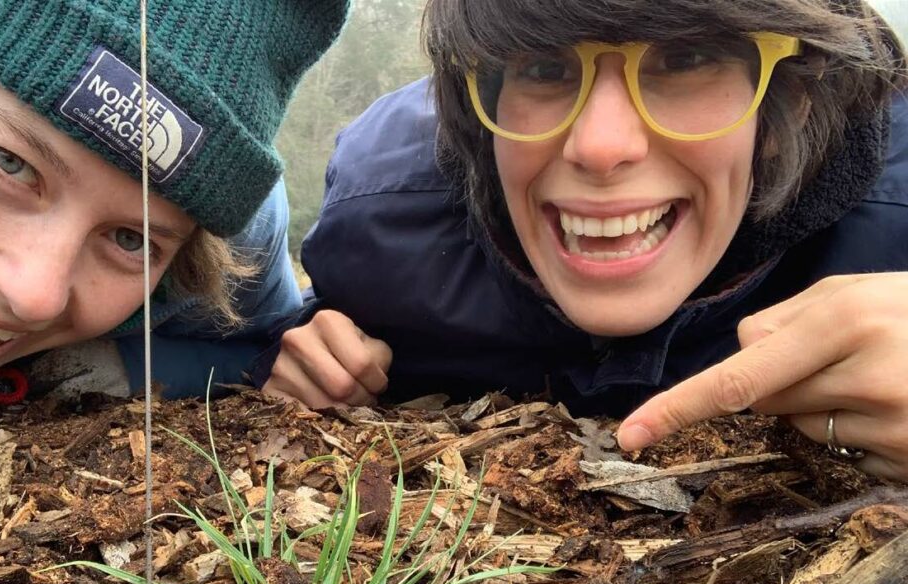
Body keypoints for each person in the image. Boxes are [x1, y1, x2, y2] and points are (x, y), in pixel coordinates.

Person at [262, 0, 908, 481]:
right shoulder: (382, 229)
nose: (600, 146)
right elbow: (308, 345)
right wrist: (316, 367)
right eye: (545, 68)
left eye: (683, 59)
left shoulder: (892, 226)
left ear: (793, 95)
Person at [0, 0, 349, 412]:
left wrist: (123, 365)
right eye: (11, 163)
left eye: (131, 239)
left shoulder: (238, 242)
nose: (33, 297)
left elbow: (266, 348)